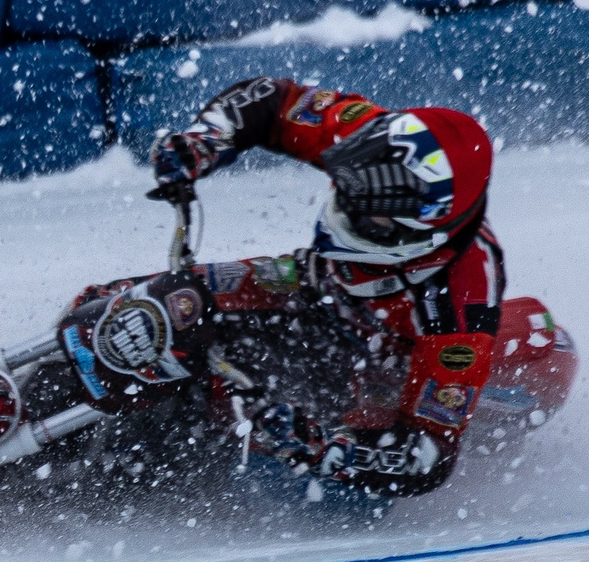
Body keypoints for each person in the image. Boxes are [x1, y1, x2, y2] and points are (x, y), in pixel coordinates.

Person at [68, 77, 521, 502]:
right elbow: (271, 100)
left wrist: (326, 448)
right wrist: (204, 141)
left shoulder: (463, 307)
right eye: (348, 186)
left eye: (371, 210)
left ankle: (163, 481)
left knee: (282, 463)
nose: (348, 202)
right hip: (312, 284)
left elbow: (429, 454)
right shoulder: (372, 138)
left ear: (420, 235)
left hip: (376, 367)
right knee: (161, 299)